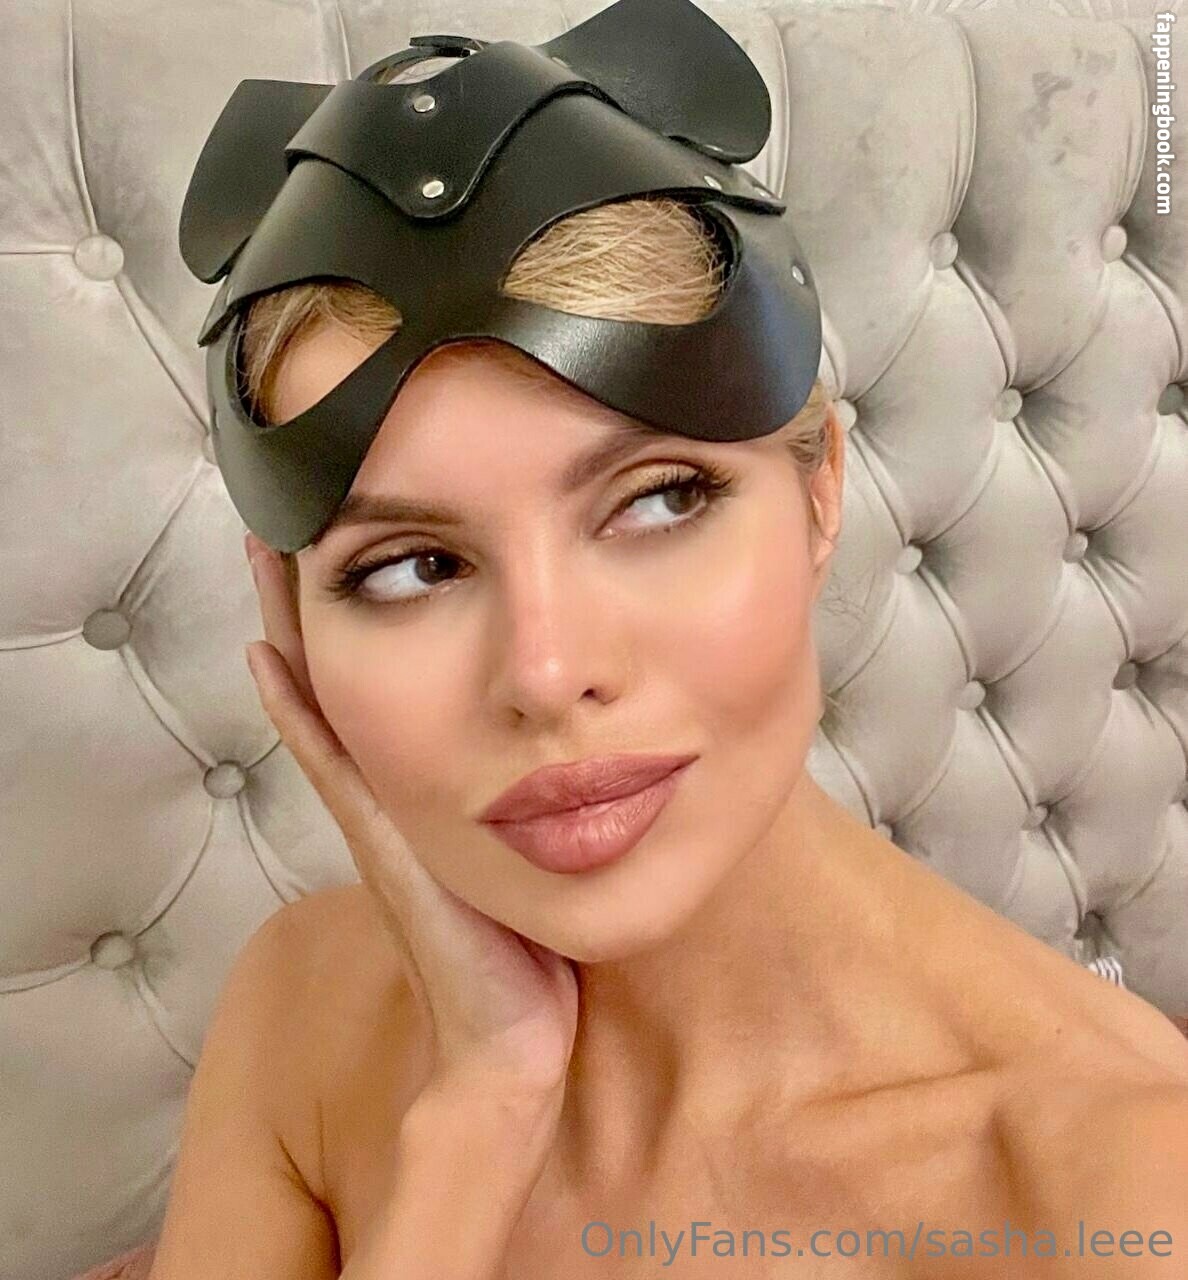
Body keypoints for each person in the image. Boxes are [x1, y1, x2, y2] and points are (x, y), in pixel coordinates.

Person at [145, 185, 1188, 1280]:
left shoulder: (1121, 1189)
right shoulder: (304, 1007)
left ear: (819, 492)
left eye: (656, 500)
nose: (548, 674)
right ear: (295, 624)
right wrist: (481, 1114)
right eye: (413, 567)